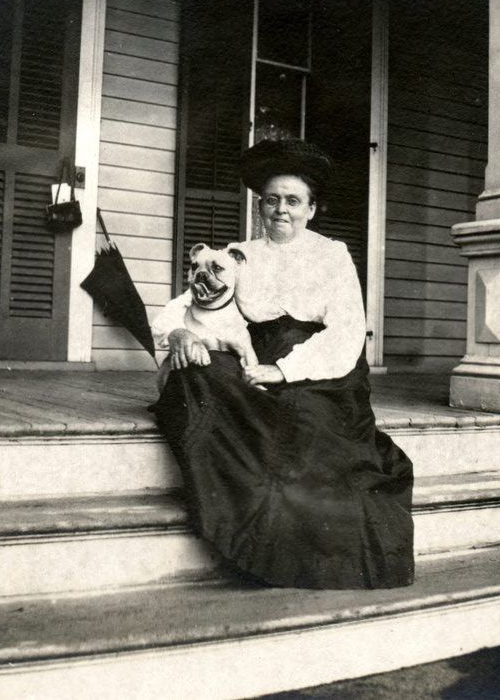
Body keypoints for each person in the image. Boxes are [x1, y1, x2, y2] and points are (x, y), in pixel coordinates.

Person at [152, 139, 414, 589]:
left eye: (293, 201)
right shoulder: (240, 254)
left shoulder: (332, 254)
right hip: (255, 357)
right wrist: (179, 332)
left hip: (322, 367)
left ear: (311, 209)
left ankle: (293, 556)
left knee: (304, 422)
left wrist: (285, 370)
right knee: (196, 374)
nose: (281, 210)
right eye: (271, 200)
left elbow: (347, 330)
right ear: (260, 206)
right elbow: (191, 300)